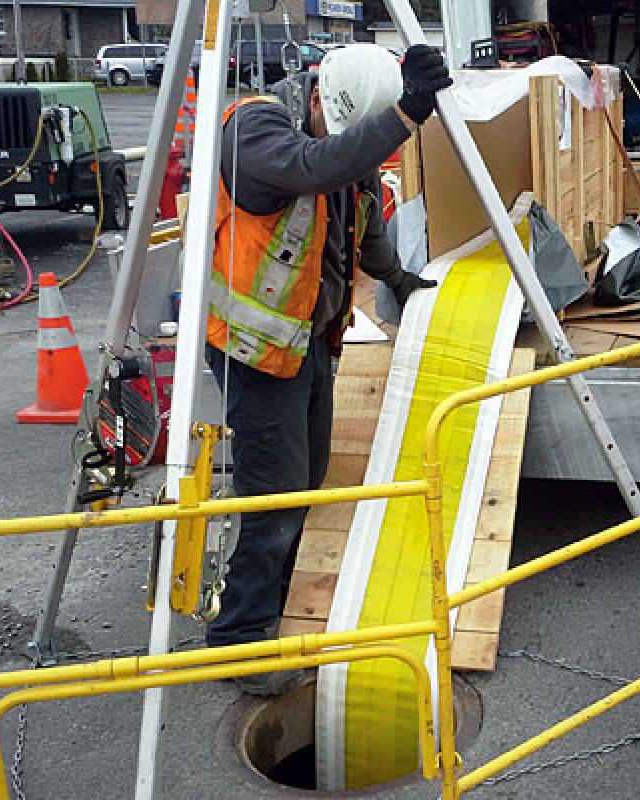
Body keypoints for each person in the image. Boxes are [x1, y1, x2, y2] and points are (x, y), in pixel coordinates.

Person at [204, 43, 450, 694]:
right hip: (255, 350)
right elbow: (316, 166)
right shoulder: (253, 130)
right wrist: (404, 114)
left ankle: (278, 600)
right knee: (276, 489)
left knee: (309, 478)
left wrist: (400, 279)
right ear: (315, 97)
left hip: (310, 339)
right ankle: (237, 636)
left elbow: (362, 222)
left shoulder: (345, 145)